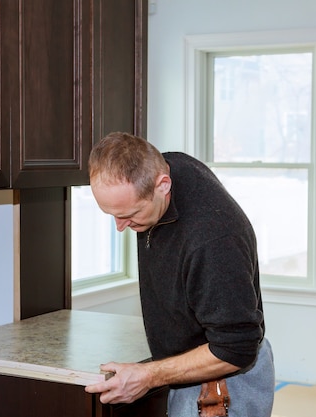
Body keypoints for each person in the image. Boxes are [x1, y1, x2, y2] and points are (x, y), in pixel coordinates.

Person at [84, 132, 275, 417]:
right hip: (187, 368)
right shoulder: (166, 165)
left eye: (130, 214)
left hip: (222, 383)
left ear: (163, 185)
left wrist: (147, 375)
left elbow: (236, 348)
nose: (120, 227)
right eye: (111, 214)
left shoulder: (214, 241)